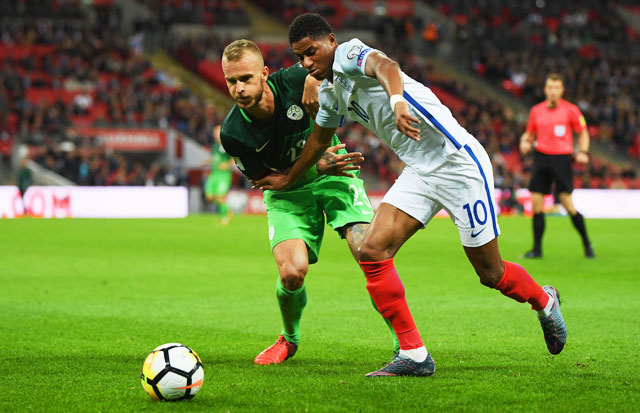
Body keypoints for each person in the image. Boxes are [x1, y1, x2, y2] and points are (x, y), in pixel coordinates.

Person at [253, 13, 568, 377]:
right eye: (300, 57)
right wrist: (289, 178)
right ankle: (414, 354)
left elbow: (386, 65)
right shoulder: (329, 92)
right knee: (372, 250)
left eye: (312, 52)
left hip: (458, 163)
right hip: (419, 170)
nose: (308, 63)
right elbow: (319, 141)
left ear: (331, 42)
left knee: (490, 273)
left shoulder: (350, 53)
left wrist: (399, 102)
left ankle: (545, 302)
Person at [218, 39, 399, 365]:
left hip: (336, 175)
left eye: (245, 78)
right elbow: (269, 181)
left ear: (264, 73)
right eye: (231, 81)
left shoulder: (293, 80)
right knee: (292, 272)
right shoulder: (233, 133)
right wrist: (314, 165)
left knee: (369, 255)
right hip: (291, 192)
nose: (239, 89)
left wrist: (318, 82)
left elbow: (323, 70)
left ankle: (406, 345)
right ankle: (289, 339)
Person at [519, 73, 594, 258]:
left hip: (562, 159)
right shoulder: (536, 110)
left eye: (556, 88)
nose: (553, 91)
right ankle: (537, 250)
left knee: (568, 204)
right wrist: (524, 142)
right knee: (536, 203)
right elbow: (529, 134)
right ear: (545, 89)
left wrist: (583, 152)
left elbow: (583, 133)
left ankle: (587, 244)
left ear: (562, 90)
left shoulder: (571, 110)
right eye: (550, 87)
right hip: (541, 158)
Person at [204, 125, 235, 225]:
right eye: (214, 133)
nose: (215, 135)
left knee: (220, 196)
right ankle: (228, 209)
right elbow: (215, 158)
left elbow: (234, 159)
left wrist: (227, 165)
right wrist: (207, 162)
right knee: (209, 196)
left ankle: (224, 217)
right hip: (214, 174)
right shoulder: (214, 145)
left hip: (224, 175)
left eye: (217, 132)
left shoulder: (227, 145)